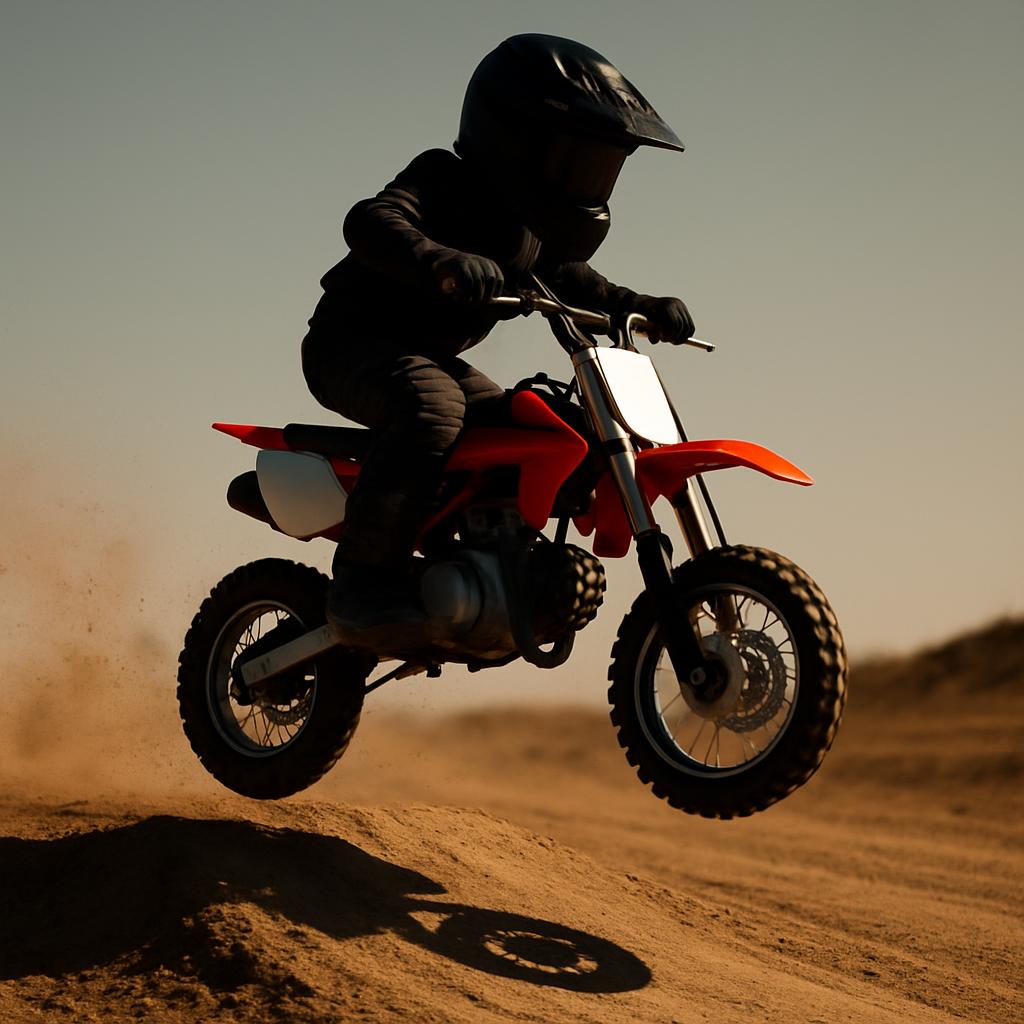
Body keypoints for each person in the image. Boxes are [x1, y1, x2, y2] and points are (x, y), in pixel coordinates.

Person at [301, 33, 695, 646]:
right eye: (577, 161)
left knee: (536, 426)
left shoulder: (530, 234)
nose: (588, 183)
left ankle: (496, 562)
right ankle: (361, 584)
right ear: (515, 138)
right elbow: (372, 219)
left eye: (601, 167)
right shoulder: (443, 178)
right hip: (351, 345)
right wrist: (435, 258)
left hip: (426, 359)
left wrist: (637, 305)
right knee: (433, 408)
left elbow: (572, 277)